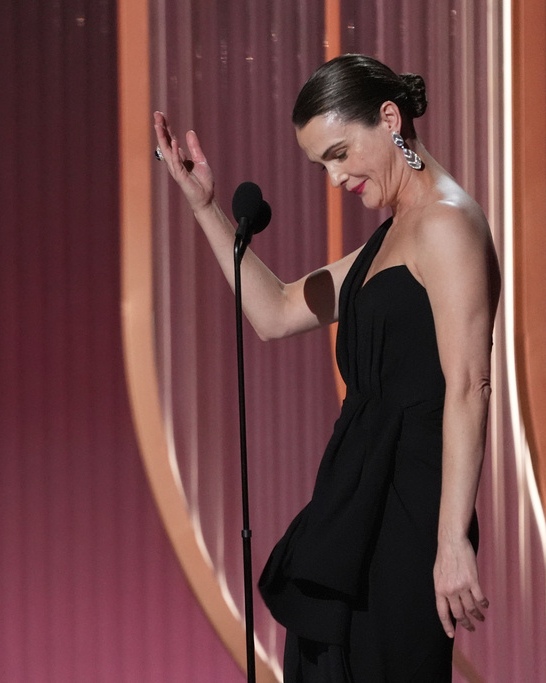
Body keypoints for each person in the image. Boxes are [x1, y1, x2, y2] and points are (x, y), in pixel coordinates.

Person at [154, 54, 499, 681]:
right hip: (353, 500)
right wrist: (206, 208)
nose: (335, 178)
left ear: (390, 118)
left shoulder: (447, 224)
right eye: (322, 165)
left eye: (340, 153)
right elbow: (280, 311)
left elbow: (470, 388)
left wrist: (451, 543)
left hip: (409, 518)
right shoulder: (394, 233)